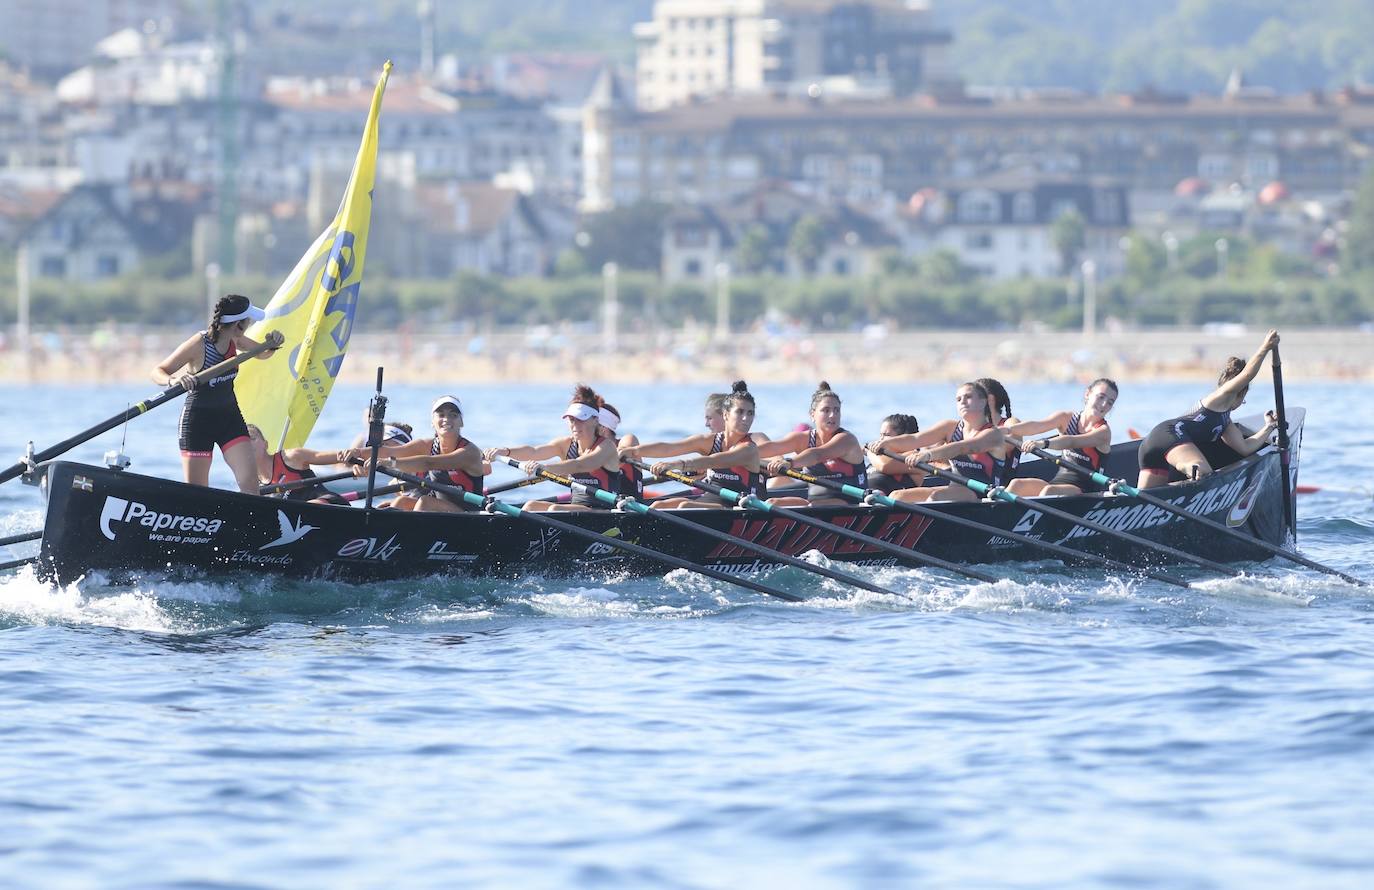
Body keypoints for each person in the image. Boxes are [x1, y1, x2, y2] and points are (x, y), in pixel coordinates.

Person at [150, 294, 283, 491]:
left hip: (229, 417)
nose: (249, 324)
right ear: (238, 324)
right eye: (248, 321)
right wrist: (174, 380)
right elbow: (158, 371)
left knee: (250, 485)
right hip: (198, 422)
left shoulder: (235, 340)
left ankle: (250, 519)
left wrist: (273, 343)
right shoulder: (199, 343)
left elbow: (263, 353)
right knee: (198, 493)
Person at [1137, 330, 1282, 489]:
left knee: (1145, 501)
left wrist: (1269, 427)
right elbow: (1247, 375)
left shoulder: (1225, 421)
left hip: (1153, 448)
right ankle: (1191, 469)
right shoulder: (1220, 397)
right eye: (1244, 397)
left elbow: (1245, 448)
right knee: (1205, 472)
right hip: (1168, 435)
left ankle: (1189, 472)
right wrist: (1265, 347)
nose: (1244, 402)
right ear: (1240, 392)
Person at [619, 380, 765, 510]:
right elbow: (670, 447)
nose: (746, 418)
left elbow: (712, 461)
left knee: (685, 506)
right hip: (711, 499)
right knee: (658, 505)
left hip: (739, 506)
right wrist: (634, 451)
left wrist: (675, 465)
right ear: (725, 414)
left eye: (750, 413)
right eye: (740, 412)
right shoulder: (711, 441)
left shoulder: (748, 449)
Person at [483, 384, 622, 512]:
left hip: (602, 511)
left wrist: (544, 469)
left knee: (555, 509)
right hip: (577, 509)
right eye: (572, 420)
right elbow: (533, 451)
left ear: (595, 420)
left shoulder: (606, 446)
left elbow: (580, 465)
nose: (575, 425)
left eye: (581, 419)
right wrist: (505, 451)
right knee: (530, 506)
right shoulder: (565, 444)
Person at [873, 381, 1010, 503]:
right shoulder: (949, 427)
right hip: (954, 489)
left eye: (968, 397)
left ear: (983, 402)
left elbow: (963, 447)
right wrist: (887, 443)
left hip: (982, 494)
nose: (962, 401)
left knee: (937, 498)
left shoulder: (993, 434)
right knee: (897, 496)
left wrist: (928, 455)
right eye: (958, 399)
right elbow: (915, 439)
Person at [349, 395, 487, 512]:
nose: (447, 419)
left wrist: (391, 463)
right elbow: (389, 451)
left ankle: (406, 538)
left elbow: (428, 462)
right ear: (432, 422)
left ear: (461, 422)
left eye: (453, 415)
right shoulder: (427, 445)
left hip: (469, 515)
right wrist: (356, 454)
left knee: (425, 502)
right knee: (400, 502)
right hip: (442, 511)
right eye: (441, 415)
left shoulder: (469, 452)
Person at [758, 381, 867, 507]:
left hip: (851, 503)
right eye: (826, 410)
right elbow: (772, 447)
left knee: (816, 506)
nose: (832, 415)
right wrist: (738, 454)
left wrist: (789, 463)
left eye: (836, 410)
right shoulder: (802, 439)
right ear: (812, 414)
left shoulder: (846, 439)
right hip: (815, 502)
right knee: (771, 503)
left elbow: (817, 455)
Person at [1004, 378, 1119, 497]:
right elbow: (1036, 426)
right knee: (1016, 484)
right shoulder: (1066, 418)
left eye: (1110, 402)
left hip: (1086, 491)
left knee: (1048, 492)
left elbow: (1071, 441)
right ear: (1087, 394)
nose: (1104, 404)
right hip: (1058, 483)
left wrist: (1041, 444)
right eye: (1101, 397)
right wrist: (1005, 430)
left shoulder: (1103, 432)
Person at [866, 413, 922, 495]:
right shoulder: (877, 458)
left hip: (885, 505)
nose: (880, 440)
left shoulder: (915, 457)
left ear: (903, 438)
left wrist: (868, 451)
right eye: (880, 435)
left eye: (886, 435)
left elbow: (884, 466)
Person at [598, 402, 645, 499]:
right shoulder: (583, 447)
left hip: (630, 508)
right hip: (597, 507)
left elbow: (620, 454)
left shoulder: (628, 441)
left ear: (604, 428)